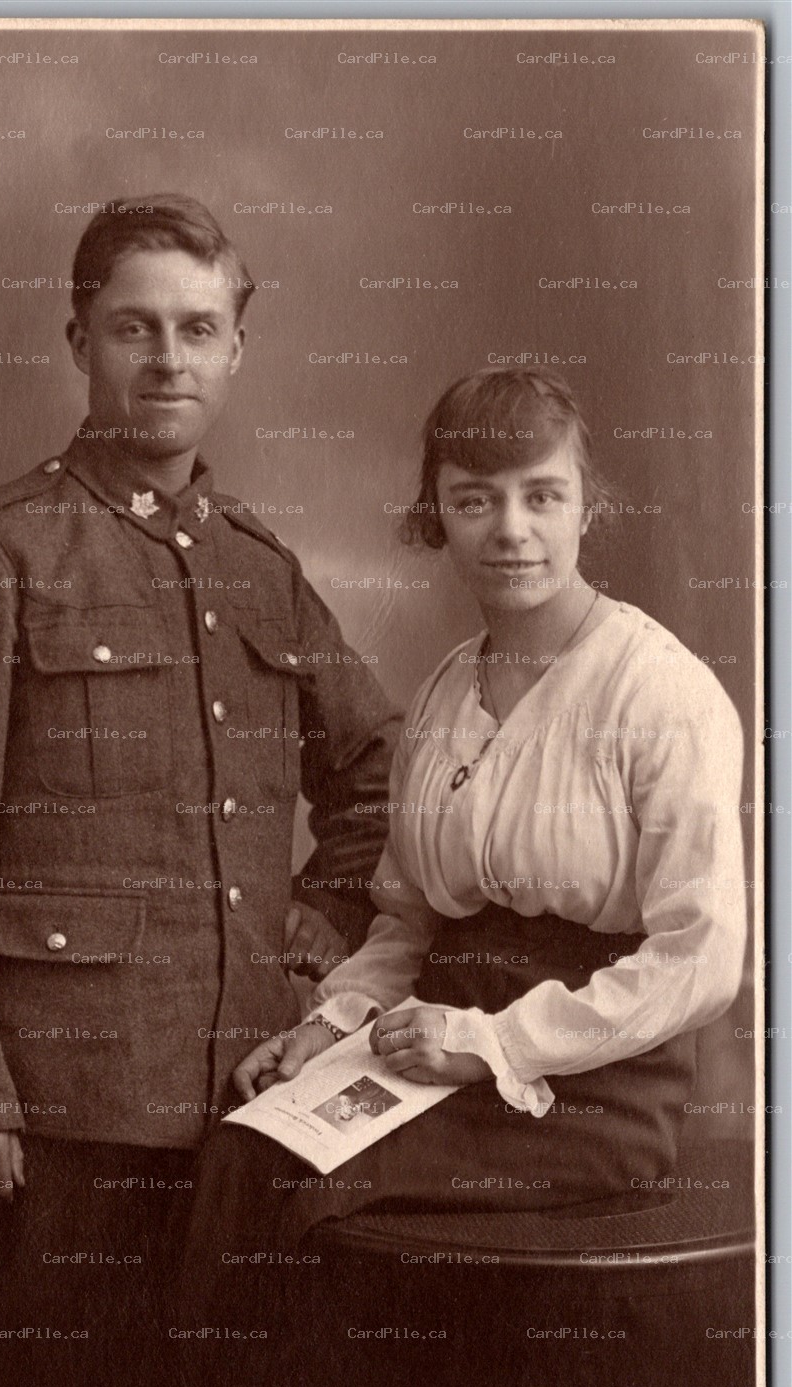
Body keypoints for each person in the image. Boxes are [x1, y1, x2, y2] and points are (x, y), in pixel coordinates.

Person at [0, 194, 400, 1328]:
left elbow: (387, 774)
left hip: (254, 1101)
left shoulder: (259, 568)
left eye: (198, 329)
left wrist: (324, 915)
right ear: (78, 341)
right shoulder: (1, 551)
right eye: (132, 326)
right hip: (56, 1110)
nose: (166, 359)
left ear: (236, 351)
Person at [181, 366, 748, 1308]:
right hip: (433, 1036)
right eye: (475, 500)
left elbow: (702, 959)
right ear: (436, 516)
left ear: (587, 505)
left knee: (310, 1195)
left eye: (542, 495)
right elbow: (406, 923)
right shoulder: (445, 693)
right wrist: (324, 1028)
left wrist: (491, 1044)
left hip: (592, 1084)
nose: (510, 530)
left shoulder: (660, 693)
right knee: (245, 1145)